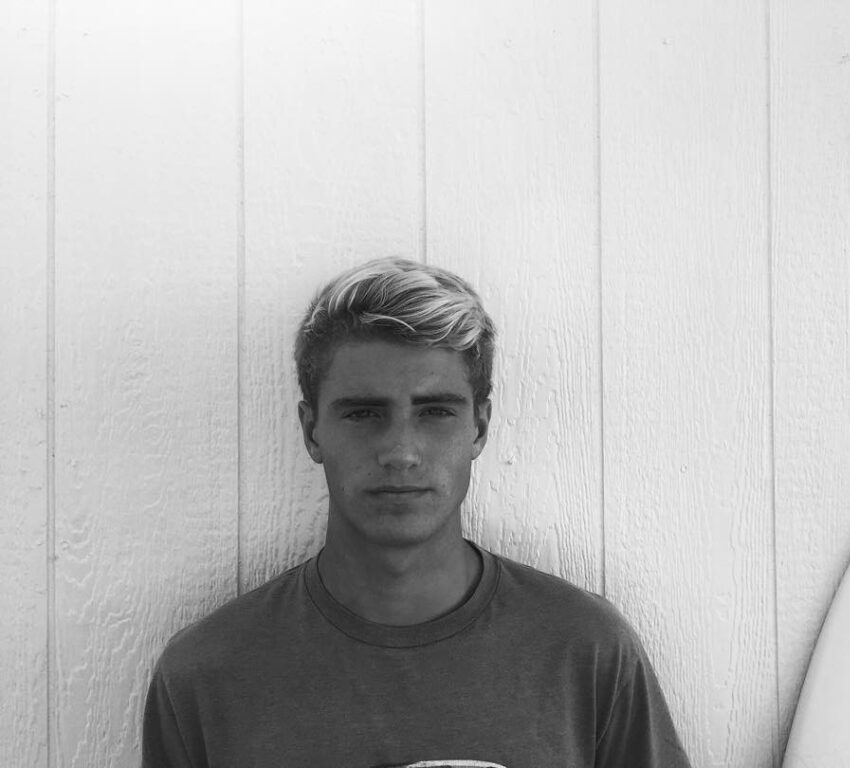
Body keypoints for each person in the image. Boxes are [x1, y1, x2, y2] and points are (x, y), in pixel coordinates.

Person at [141, 257, 690, 767]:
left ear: (479, 426)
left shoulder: (588, 653)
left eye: (435, 412)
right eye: (363, 413)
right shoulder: (203, 677)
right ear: (311, 431)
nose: (401, 452)